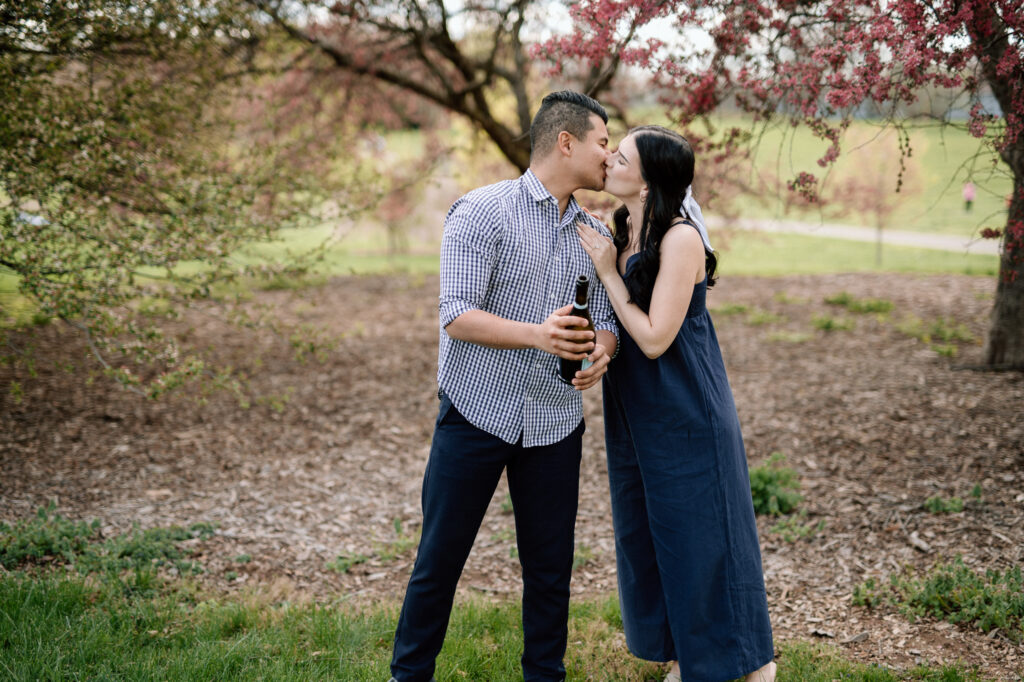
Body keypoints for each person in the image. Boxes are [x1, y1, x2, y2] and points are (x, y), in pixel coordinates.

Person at [388, 91, 620, 682]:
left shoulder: (596, 232)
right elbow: (456, 313)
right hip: (475, 412)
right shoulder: (480, 212)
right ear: (565, 142)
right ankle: (408, 676)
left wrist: (602, 355)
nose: (609, 154)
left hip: (554, 422)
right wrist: (537, 336)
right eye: (602, 141)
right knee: (439, 561)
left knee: (550, 569)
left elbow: (611, 323)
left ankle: (545, 677)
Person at [576, 126, 776, 682]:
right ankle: (690, 655)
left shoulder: (681, 239)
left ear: (647, 181)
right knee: (650, 531)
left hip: (686, 403)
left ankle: (752, 665)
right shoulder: (622, 229)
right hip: (636, 409)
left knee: (704, 534)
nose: (610, 159)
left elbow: (656, 337)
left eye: (622, 156)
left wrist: (610, 275)